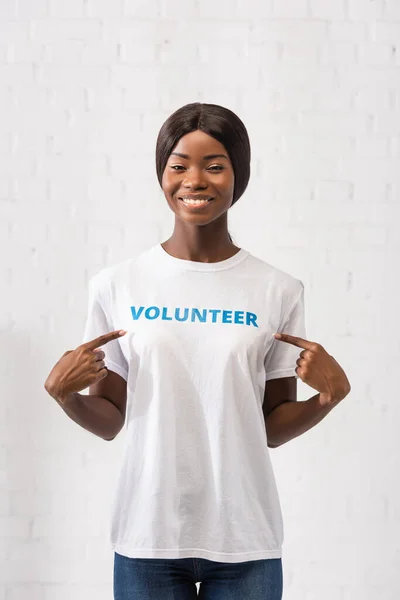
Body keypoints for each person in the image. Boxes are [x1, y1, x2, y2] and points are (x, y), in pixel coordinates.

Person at [44, 102, 351, 600]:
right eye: (179, 165)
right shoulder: (117, 285)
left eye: (214, 165)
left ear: (238, 175)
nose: (196, 180)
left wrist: (326, 400)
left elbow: (270, 426)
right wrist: (65, 396)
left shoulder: (277, 290)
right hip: (148, 535)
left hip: (245, 539)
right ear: (162, 174)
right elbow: (111, 419)